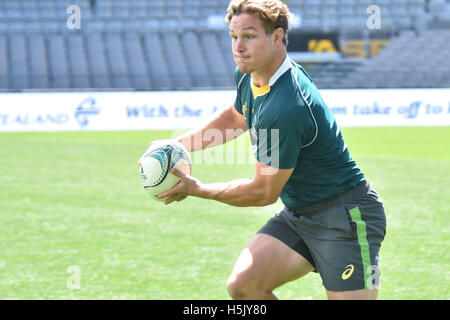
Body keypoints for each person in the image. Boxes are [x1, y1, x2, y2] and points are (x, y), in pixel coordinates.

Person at [141, 0, 386, 300]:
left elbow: (263, 192)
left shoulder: (286, 105)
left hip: (345, 217)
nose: (238, 47)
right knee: (244, 286)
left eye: (249, 36)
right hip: (300, 214)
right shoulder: (250, 73)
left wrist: (197, 189)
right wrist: (179, 145)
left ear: (277, 37)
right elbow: (236, 116)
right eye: (234, 37)